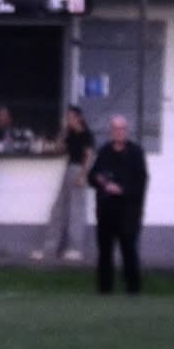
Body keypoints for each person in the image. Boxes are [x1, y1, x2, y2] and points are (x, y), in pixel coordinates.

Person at [88, 114, 149, 295]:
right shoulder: (104, 151)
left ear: (127, 131)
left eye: (122, 129)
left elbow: (141, 182)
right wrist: (100, 180)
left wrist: (121, 190)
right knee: (105, 252)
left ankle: (133, 289)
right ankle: (104, 289)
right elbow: (92, 177)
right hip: (106, 210)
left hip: (128, 211)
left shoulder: (136, 153)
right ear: (111, 131)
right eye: (115, 129)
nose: (118, 132)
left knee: (129, 250)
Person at [33, 105, 96, 262]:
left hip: (79, 169)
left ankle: (75, 249)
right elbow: (58, 148)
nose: (68, 120)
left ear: (78, 118)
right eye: (67, 118)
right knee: (59, 209)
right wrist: (63, 132)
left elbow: (89, 156)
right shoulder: (71, 134)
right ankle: (49, 248)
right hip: (69, 169)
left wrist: (83, 175)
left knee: (76, 210)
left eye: (70, 117)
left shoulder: (86, 134)